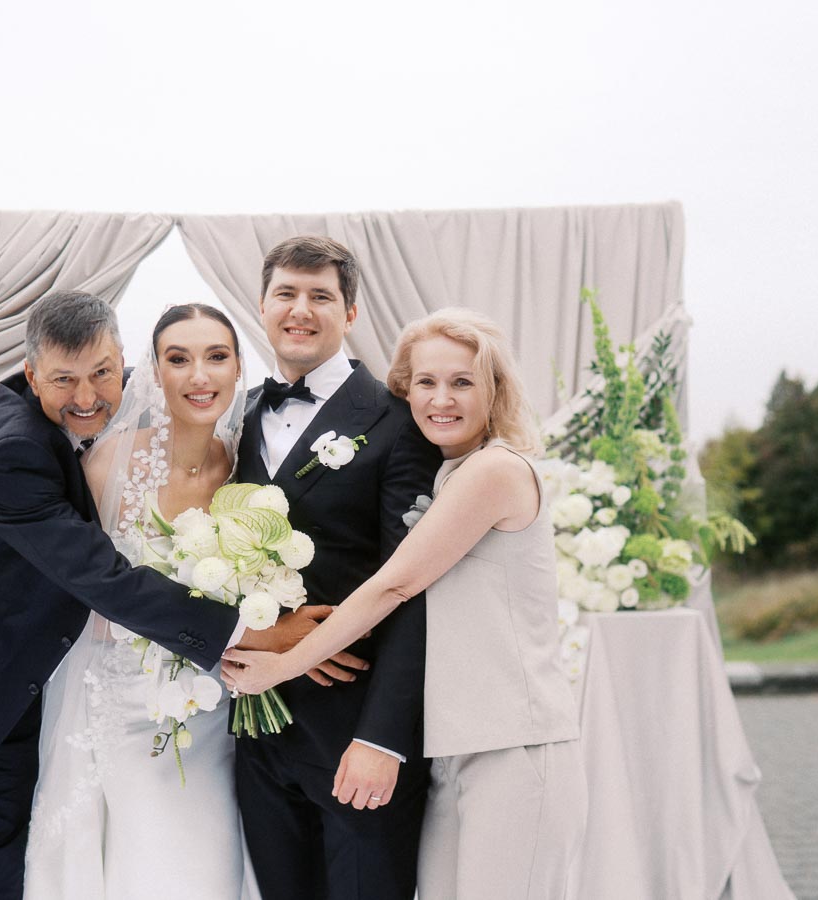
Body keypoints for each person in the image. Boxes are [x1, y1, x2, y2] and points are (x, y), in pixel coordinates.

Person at [0, 291, 309, 900]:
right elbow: (101, 578)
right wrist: (251, 635)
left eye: (102, 374)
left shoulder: (124, 399)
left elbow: (186, 380)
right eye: (64, 380)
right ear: (31, 373)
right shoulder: (9, 452)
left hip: (13, 695)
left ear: (124, 363)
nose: (87, 397)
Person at [223, 308, 588, 900]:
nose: (441, 398)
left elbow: (394, 585)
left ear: (494, 391)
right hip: (447, 749)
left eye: (462, 382)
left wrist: (283, 663)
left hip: (511, 746)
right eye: (426, 382)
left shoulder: (495, 470)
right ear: (404, 391)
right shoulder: (446, 477)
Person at [26, 302, 322, 900]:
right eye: (178, 359)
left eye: (216, 357)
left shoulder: (246, 463)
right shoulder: (110, 464)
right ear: (154, 373)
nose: (199, 376)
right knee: (147, 856)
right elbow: (91, 599)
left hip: (217, 707)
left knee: (211, 857)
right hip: (128, 704)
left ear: (240, 368)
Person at [230, 236, 442, 900]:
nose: (301, 309)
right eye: (286, 294)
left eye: (320, 296)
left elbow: (416, 590)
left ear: (349, 313)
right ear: (261, 308)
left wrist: (384, 738)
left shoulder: (395, 424)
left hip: (356, 736)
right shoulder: (238, 420)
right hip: (257, 735)